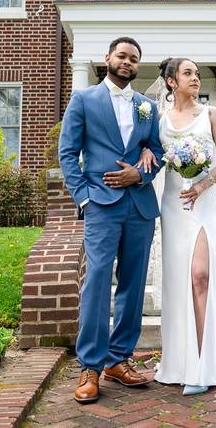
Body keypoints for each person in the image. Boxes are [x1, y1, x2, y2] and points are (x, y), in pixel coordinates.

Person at [57, 37, 164, 404]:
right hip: (100, 205)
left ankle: (119, 360)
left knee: (134, 286)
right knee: (97, 283)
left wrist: (142, 174)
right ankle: (90, 366)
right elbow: (68, 154)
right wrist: (84, 198)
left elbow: (158, 150)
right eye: (122, 55)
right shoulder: (83, 100)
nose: (127, 62)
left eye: (134, 58)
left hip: (139, 206)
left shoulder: (148, 106)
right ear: (108, 58)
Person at [150, 57, 216, 395]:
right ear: (170, 81)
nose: (195, 78)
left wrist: (203, 185)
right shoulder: (161, 122)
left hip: (203, 202)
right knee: (181, 281)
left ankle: (205, 364)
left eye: (196, 73)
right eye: (187, 73)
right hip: (175, 206)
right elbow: (152, 157)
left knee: (200, 276)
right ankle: (181, 360)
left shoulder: (211, 114)